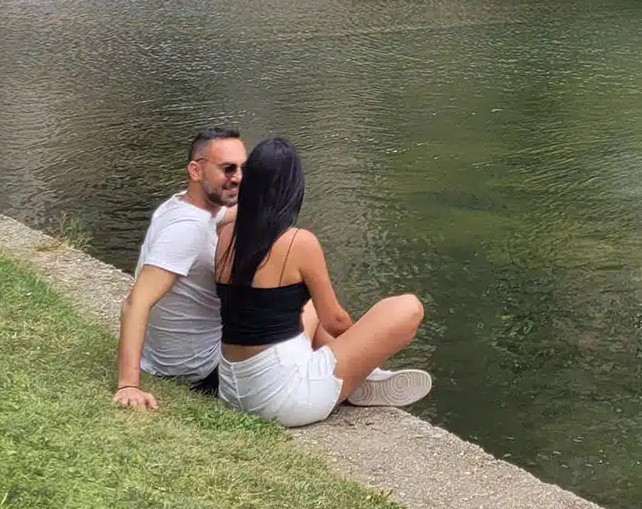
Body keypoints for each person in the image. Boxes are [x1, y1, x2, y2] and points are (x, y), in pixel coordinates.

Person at [214, 135, 430, 427]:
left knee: (310, 308)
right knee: (408, 308)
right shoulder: (299, 243)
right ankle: (367, 372)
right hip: (282, 399)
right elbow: (336, 321)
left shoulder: (227, 235)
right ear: (293, 189)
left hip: (233, 389)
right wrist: (364, 345)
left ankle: (358, 376)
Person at [114, 125, 247, 409]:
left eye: (242, 169)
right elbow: (135, 303)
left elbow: (230, 213)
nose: (238, 177)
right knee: (301, 304)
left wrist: (269, 204)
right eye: (228, 169)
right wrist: (129, 385)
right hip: (195, 368)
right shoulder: (189, 230)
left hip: (171, 356)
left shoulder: (182, 205)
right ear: (196, 171)